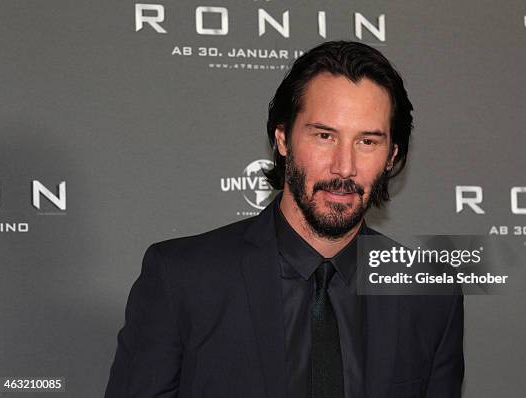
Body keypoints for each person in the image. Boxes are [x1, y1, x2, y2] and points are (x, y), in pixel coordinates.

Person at [105, 40, 463, 398]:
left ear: (391, 156)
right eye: (325, 136)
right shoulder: (182, 279)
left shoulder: (429, 294)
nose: (344, 167)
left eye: (367, 142)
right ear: (283, 139)